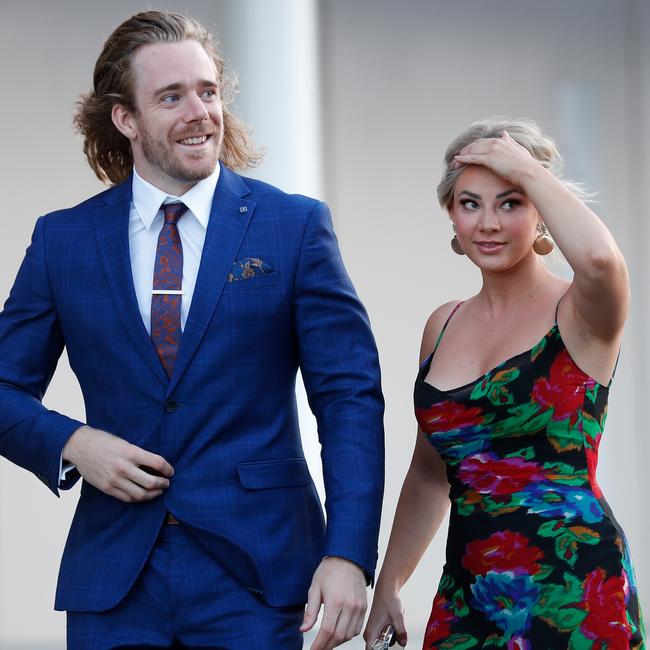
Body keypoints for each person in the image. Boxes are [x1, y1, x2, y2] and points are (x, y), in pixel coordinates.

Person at [0, 10, 384, 649]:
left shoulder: (292, 228)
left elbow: (349, 398)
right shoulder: (62, 239)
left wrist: (348, 553)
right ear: (126, 119)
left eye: (208, 91)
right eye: (171, 96)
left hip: (261, 577)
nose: (200, 111)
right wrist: (74, 444)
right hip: (116, 584)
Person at [364, 118, 645, 649]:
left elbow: (602, 259)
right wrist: (390, 583)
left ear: (542, 211)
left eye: (511, 201)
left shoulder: (581, 311)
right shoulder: (442, 325)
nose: (488, 222)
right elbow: (429, 472)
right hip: (468, 596)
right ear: (451, 214)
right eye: (470, 203)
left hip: (574, 590)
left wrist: (527, 169)